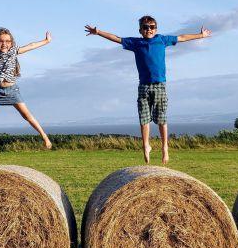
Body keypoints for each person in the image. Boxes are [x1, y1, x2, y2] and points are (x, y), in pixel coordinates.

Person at [85, 16, 211, 164]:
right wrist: (98, 32)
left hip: (159, 85)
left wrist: (201, 35)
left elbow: (182, 37)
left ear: (155, 29)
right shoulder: (136, 43)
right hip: (143, 86)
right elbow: (117, 38)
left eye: (151, 27)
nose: (149, 29)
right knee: (144, 119)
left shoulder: (162, 40)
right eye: (145, 27)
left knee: (161, 120)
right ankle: (146, 145)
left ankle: (165, 147)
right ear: (140, 30)